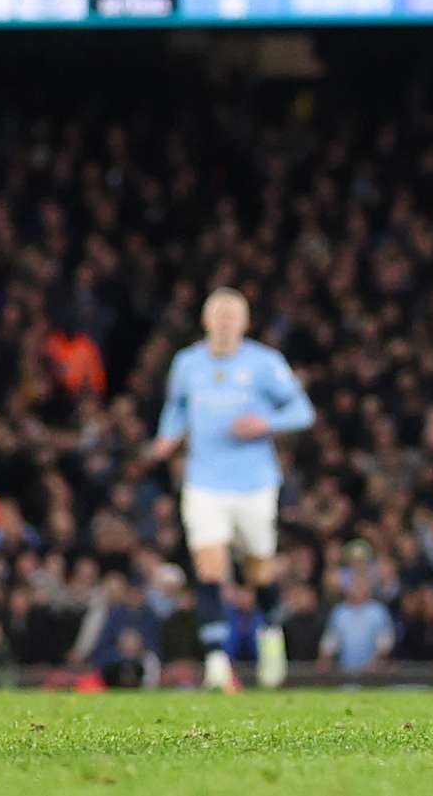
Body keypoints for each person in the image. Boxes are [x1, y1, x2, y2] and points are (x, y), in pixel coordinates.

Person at [143, 288, 316, 692]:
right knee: (210, 568)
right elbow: (176, 408)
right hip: (204, 482)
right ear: (205, 320)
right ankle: (217, 661)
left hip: (254, 482)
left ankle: (271, 633)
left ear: (244, 322)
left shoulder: (264, 363)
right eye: (217, 315)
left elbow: (302, 411)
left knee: (259, 570)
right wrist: (167, 438)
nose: (223, 322)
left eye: (231, 315)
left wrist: (266, 424)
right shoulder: (187, 363)